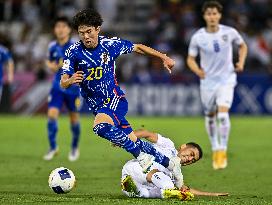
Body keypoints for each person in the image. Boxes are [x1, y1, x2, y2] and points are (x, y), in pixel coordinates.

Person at [60, 8, 184, 188]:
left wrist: (163, 56)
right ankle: (171, 163)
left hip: (114, 100)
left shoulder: (110, 45)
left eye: (89, 31)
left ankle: (142, 159)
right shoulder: (73, 52)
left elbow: (138, 47)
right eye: (81, 33)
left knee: (100, 127)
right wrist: (70, 80)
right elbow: (63, 81)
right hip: (97, 105)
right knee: (134, 140)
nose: (86, 36)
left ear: (97, 29)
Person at [187, 1, 248, 170]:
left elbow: (243, 46)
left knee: (222, 114)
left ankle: (222, 151)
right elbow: (190, 59)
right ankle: (214, 146)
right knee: (210, 115)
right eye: (209, 14)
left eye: (215, 13)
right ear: (204, 16)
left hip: (227, 80)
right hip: (207, 82)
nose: (212, 17)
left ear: (219, 15)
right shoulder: (198, 37)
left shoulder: (230, 32)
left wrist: (241, 62)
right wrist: (197, 70)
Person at [121, 129, 228, 200]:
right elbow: (146, 133)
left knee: (169, 186)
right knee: (168, 186)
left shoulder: (176, 173)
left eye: (193, 160)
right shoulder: (168, 145)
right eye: (191, 153)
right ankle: (144, 192)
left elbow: (184, 189)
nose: (189, 159)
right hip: (135, 168)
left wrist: (211, 194)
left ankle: (135, 191)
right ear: (183, 146)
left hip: (133, 182)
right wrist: (125, 138)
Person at [43, 17, 81, 161]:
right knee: (52, 115)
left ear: (69, 29)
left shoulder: (75, 46)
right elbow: (50, 62)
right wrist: (51, 65)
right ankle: (53, 147)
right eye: (58, 26)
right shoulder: (52, 46)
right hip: (57, 87)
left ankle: (74, 147)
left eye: (63, 26)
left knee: (74, 119)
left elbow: (81, 65)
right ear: (54, 29)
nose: (60, 29)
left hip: (72, 88)